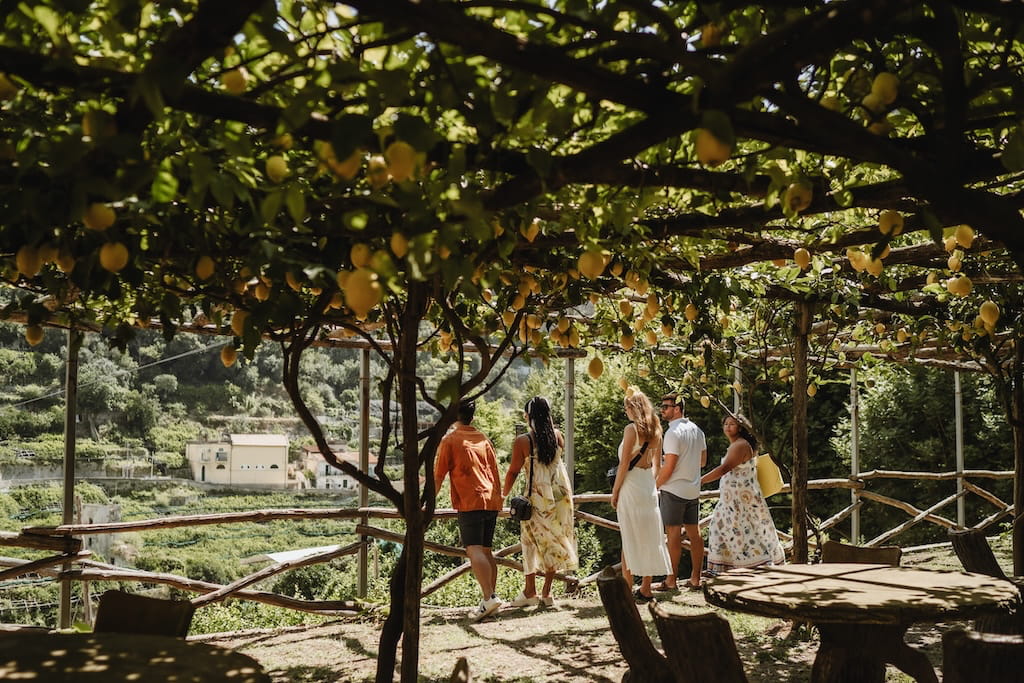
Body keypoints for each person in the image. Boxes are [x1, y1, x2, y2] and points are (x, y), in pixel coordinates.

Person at [502, 397, 578, 607]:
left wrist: (502, 495)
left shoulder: (523, 441)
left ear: (529, 416)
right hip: (560, 495)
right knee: (553, 540)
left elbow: (513, 472)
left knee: (529, 542)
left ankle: (530, 591)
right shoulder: (557, 436)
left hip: (537, 497)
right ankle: (547, 592)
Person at [434, 399, 504, 622]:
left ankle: (488, 597)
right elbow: (495, 470)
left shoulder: (450, 440)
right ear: (471, 416)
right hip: (490, 499)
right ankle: (490, 600)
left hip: (470, 499)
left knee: (473, 550)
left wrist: (426, 503)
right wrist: (498, 499)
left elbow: (438, 476)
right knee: (486, 550)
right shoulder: (483, 438)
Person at [702, 414, 785, 573]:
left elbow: (724, 468)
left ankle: (752, 565)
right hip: (734, 500)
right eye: (725, 424)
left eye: (732, 424)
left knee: (740, 532)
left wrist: (701, 481)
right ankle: (730, 567)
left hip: (739, 502)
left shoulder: (740, 445)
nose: (727, 427)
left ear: (740, 427)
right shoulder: (739, 444)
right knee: (729, 530)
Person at [610, 388, 671, 602]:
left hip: (632, 484)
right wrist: (651, 485)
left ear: (632, 408)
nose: (625, 411)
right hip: (648, 486)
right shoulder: (656, 428)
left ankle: (627, 587)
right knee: (650, 537)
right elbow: (658, 465)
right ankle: (646, 588)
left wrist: (615, 491)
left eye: (626, 407)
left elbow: (624, 464)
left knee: (629, 536)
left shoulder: (631, 429)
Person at [656, 392, 706, 591]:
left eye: (666, 406)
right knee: (695, 534)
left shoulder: (672, 433)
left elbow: (668, 467)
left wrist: (656, 484)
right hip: (693, 490)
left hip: (674, 489)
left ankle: (671, 580)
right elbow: (702, 461)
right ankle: (696, 578)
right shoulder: (697, 430)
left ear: (677, 409)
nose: (662, 410)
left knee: (673, 535)